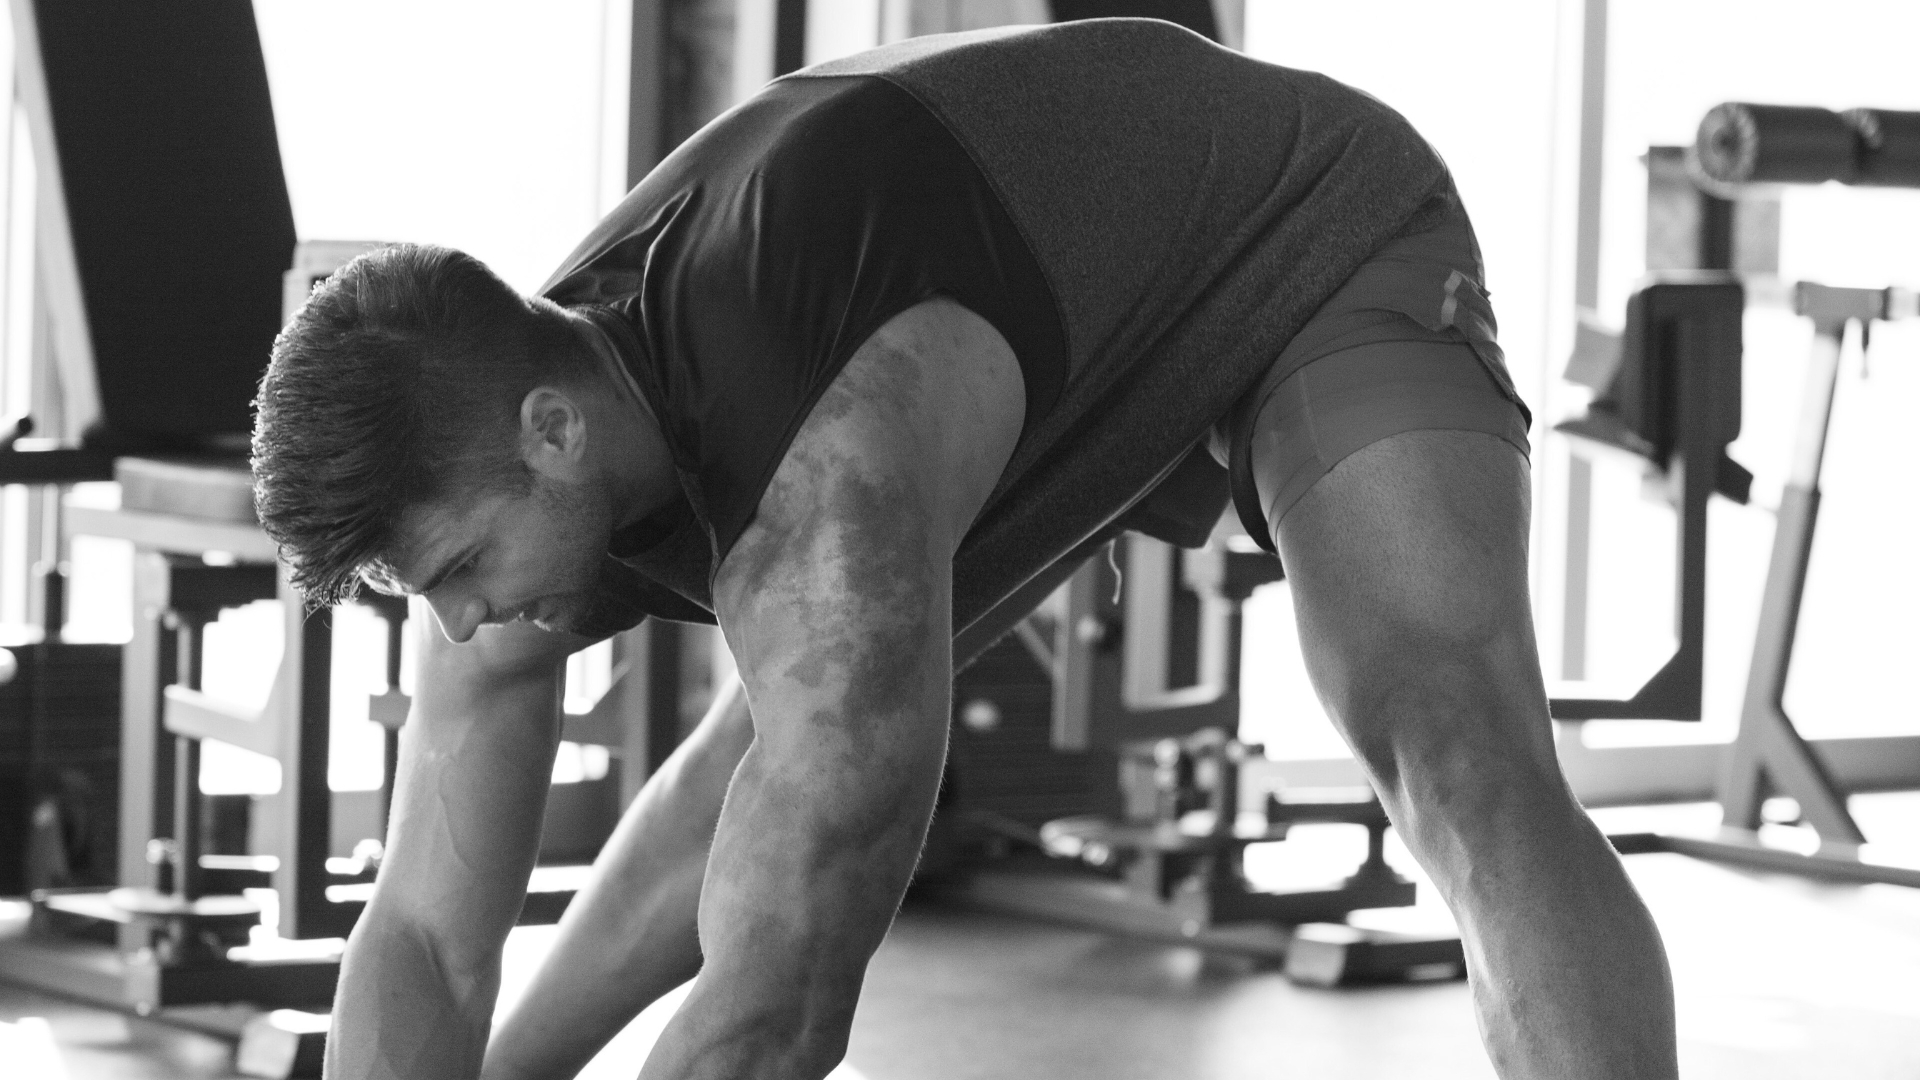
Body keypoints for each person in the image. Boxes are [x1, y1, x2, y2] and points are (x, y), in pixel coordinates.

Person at [251, 18, 1677, 1080]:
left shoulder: (824, 487)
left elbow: (779, 1005)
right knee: (777, 753)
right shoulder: (524, 418)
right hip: (1029, 329)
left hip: (1292, 238)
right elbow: (428, 942)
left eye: (448, 575)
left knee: (1450, 740)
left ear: (555, 434)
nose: (456, 624)